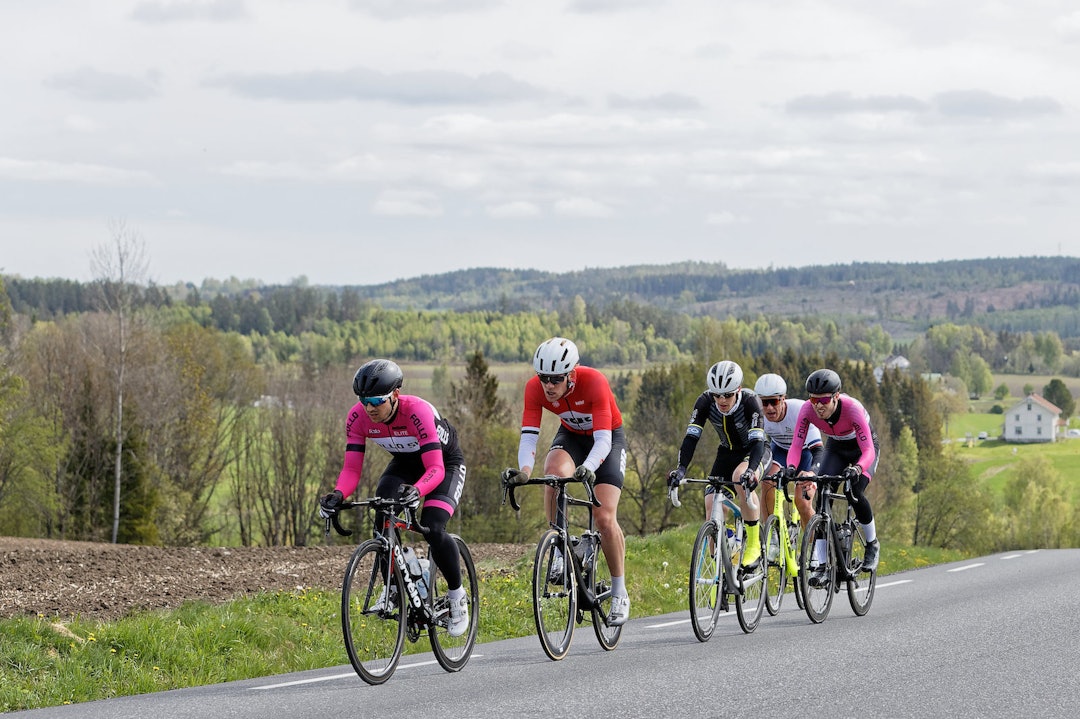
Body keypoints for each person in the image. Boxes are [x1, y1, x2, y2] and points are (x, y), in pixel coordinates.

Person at [318, 359, 470, 636]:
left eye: (377, 400)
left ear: (395, 395)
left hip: (444, 465)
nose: (370, 408)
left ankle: (457, 596)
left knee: (433, 527)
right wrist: (338, 494)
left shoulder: (418, 412)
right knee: (382, 512)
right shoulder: (357, 418)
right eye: (364, 401)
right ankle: (396, 586)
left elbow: (435, 468)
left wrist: (418, 491)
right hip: (406, 464)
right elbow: (352, 468)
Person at [502, 337, 631, 626]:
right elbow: (529, 435)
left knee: (604, 517)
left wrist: (587, 467)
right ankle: (561, 547)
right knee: (553, 474)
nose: (548, 385)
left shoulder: (594, 381)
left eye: (556, 379)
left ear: (571, 374)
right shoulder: (534, 389)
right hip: (571, 435)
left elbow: (603, 440)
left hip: (606, 440)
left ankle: (620, 591)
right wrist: (524, 470)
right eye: (543, 377)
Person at [667, 360, 770, 567]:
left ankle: (754, 547)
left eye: (728, 395)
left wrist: (751, 471)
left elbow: (758, 442)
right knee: (711, 505)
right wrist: (680, 470)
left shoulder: (751, 402)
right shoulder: (704, 402)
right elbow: (691, 438)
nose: (722, 400)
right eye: (717, 395)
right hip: (726, 454)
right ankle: (721, 574)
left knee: (740, 477)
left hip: (755, 451)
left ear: (738, 390)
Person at [785, 368, 881, 581]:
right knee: (822, 500)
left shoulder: (852, 409)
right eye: (813, 400)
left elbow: (868, 451)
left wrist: (857, 468)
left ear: (836, 396)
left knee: (855, 491)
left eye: (824, 400)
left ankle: (872, 544)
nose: (818, 405)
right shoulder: (807, 410)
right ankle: (821, 563)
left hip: (863, 449)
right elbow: (797, 444)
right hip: (836, 448)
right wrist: (791, 467)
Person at [753, 373, 823, 527]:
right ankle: (772, 536)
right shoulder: (758, 416)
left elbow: (818, 450)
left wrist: (812, 473)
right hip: (780, 450)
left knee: (802, 502)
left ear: (783, 398)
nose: (769, 408)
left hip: (806, 453)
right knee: (767, 482)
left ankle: (814, 547)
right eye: (764, 403)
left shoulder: (799, 410)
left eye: (774, 401)